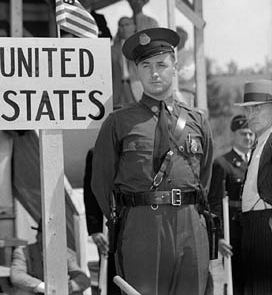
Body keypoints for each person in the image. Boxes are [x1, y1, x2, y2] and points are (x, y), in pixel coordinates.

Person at [91, 27, 213, 295]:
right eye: (145, 66)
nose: (154, 72)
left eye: (161, 64)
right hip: (141, 227)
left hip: (191, 225)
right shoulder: (118, 122)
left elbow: (205, 177)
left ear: (175, 66)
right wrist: (123, 221)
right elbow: (101, 182)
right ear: (136, 71)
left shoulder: (198, 121)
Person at [208, 114, 255, 295]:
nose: (248, 138)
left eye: (251, 134)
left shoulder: (259, 161)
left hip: (257, 230)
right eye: (243, 133)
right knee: (236, 282)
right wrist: (218, 237)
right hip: (234, 232)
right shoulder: (222, 163)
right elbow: (215, 203)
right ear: (233, 135)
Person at [234, 80, 272, 295]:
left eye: (257, 107)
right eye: (248, 109)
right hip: (252, 228)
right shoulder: (261, 141)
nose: (251, 114)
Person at [10, 224, 90, 295]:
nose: (48, 238)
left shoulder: (64, 253)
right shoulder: (23, 252)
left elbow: (83, 278)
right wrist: (43, 287)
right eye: (44, 234)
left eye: (52, 234)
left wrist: (69, 286)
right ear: (38, 235)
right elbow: (17, 275)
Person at [82, 148, 120, 295]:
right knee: (110, 274)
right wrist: (95, 228)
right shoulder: (97, 153)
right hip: (109, 226)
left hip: (137, 222)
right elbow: (91, 191)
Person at [110, 16, 140, 107]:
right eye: (121, 25)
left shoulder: (141, 47)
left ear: (134, 27)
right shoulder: (112, 49)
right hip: (118, 88)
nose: (124, 28)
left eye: (127, 24)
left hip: (137, 87)